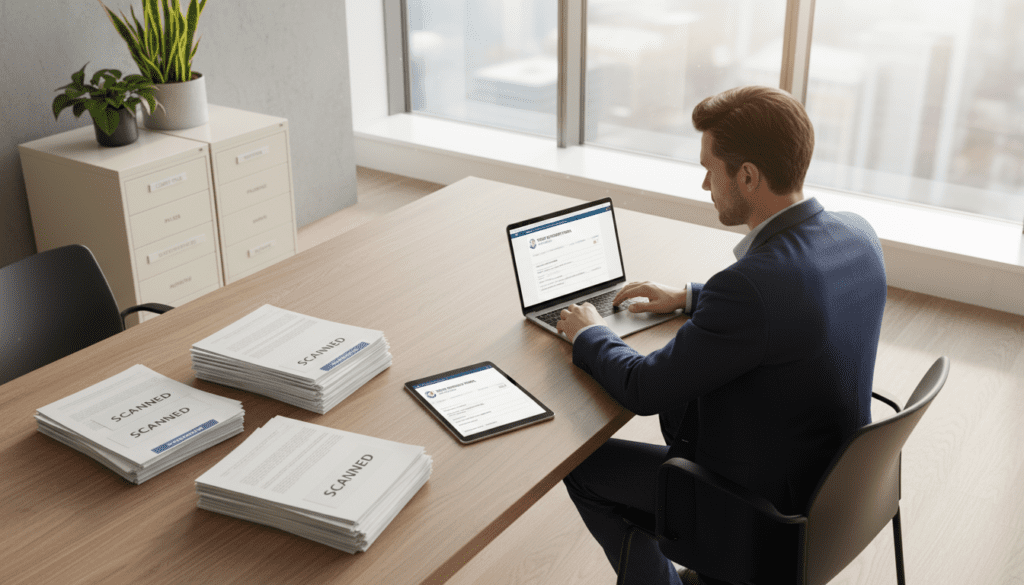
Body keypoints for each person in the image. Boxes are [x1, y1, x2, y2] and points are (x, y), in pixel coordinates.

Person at [555, 86, 887, 585]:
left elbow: (643, 388)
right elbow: (795, 301)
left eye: (711, 167)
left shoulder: (753, 288)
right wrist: (690, 296)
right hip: (839, 495)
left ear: (749, 176)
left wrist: (591, 333)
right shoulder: (858, 234)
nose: (705, 183)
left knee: (584, 467)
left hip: (759, 513)